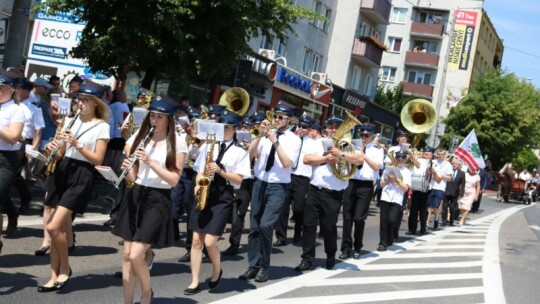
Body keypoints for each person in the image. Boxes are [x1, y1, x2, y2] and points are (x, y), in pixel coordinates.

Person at [112, 96, 187, 304]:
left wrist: (151, 162)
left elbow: (173, 179)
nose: (154, 120)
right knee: (127, 255)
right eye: (152, 116)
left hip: (157, 198)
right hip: (136, 194)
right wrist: (125, 169)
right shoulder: (140, 135)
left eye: (160, 117)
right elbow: (133, 177)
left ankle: (146, 292)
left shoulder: (178, 142)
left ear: (169, 119)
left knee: (136, 255)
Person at [37, 84, 110, 292]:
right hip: (63, 170)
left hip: (82, 174)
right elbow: (60, 154)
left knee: (52, 227)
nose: (81, 104)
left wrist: (78, 145)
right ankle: (53, 275)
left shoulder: (101, 126)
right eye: (80, 100)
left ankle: (66, 268)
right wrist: (53, 147)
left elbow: (97, 159)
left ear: (96, 104)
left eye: (86, 100)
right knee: (54, 229)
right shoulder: (70, 120)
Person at [184, 110, 251, 295]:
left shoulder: (240, 151)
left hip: (224, 196)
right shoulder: (209, 146)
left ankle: (216, 269)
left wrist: (221, 171)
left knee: (211, 241)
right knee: (196, 240)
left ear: (235, 129)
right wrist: (198, 184)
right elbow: (199, 169)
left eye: (228, 128)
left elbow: (238, 180)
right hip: (206, 190)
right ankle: (195, 281)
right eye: (222, 128)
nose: (224, 131)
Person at [239, 102, 301, 282]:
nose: (277, 120)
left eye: (281, 117)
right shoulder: (264, 135)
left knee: (266, 225)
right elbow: (249, 155)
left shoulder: (294, 140)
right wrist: (259, 135)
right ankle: (253, 265)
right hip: (260, 182)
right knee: (254, 227)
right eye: (275, 116)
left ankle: (264, 266)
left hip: (278, 186)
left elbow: (287, 163)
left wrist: (275, 140)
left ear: (289, 119)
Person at [294, 114, 361, 272]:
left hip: (334, 194)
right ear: (325, 129)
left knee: (329, 227)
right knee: (309, 226)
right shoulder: (317, 142)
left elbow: (359, 160)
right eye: (330, 127)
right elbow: (307, 159)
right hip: (315, 190)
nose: (333, 130)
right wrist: (326, 159)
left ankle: (330, 255)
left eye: (336, 127)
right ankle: (307, 259)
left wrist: (341, 155)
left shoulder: (348, 144)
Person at [339, 123, 384, 260]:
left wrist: (363, 156)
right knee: (347, 218)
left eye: (367, 135)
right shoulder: (351, 146)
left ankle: (357, 247)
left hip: (365, 185)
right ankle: (346, 248)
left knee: (359, 218)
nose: (364, 137)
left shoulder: (377, 149)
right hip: (351, 182)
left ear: (372, 136)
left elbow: (376, 167)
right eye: (362, 135)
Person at [274, 114, 315, 247]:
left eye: (305, 127)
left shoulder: (314, 144)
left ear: (310, 129)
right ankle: (281, 236)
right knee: (283, 207)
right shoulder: (292, 139)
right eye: (300, 126)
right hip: (289, 175)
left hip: (303, 178)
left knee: (298, 207)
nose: (302, 129)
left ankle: (298, 230)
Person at [0, 70, 25, 254]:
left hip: (5, 160)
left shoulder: (16, 110)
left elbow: (13, 137)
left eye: (1, 88)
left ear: (11, 91)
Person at [378, 150, 411, 251]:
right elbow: (381, 184)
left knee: (392, 220)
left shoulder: (407, 172)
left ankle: (390, 237)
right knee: (383, 220)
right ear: (395, 158)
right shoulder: (388, 169)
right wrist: (388, 179)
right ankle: (382, 243)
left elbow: (406, 188)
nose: (400, 160)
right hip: (386, 197)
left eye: (402, 159)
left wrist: (396, 181)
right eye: (398, 158)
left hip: (397, 198)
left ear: (405, 160)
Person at [406, 146, 434, 235]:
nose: (424, 155)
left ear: (431, 155)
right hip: (416, 188)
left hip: (427, 190)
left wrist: (434, 172)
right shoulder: (420, 161)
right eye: (423, 153)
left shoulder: (434, 164)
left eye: (426, 154)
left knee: (423, 211)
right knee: (413, 210)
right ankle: (412, 229)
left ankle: (423, 228)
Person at [426, 148, 452, 230]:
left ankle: (436, 220)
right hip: (430, 186)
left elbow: (449, 178)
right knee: (428, 206)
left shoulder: (448, 165)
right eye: (439, 154)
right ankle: (426, 222)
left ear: (444, 155)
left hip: (440, 188)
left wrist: (441, 175)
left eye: (442, 154)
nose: (440, 156)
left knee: (435, 206)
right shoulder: (432, 162)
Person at [441, 158, 465, 226]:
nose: (454, 165)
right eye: (453, 163)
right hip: (446, 191)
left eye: (456, 164)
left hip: (455, 193)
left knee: (452, 208)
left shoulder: (462, 173)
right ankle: (444, 221)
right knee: (444, 207)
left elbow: (462, 184)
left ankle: (451, 220)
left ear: (459, 165)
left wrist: (461, 194)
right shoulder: (449, 171)